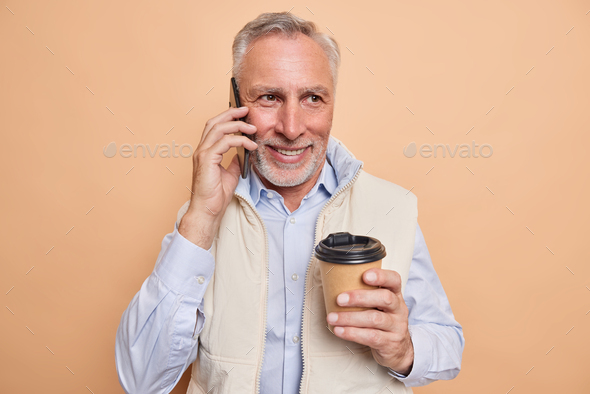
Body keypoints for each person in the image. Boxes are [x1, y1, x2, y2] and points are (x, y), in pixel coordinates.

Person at [115, 11, 464, 394]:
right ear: (235, 101)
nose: (292, 127)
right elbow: (140, 379)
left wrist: (404, 350)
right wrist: (201, 217)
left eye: (313, 98)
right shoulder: (198, 222)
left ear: (333, 101)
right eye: (269, 97)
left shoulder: (392, 206)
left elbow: (448, 343)